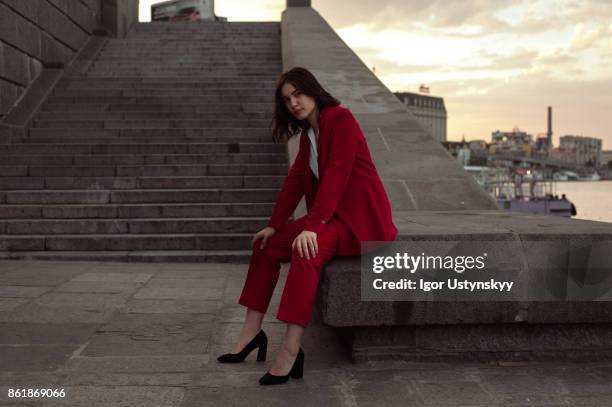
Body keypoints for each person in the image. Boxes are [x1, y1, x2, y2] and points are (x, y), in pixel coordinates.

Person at [216, 67, 397, 385]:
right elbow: (295, 182)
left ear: (313, 91)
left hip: (357, 219)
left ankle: (290, 350)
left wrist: (312, 226)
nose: (294, 103)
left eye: (298, 94)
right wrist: (275, 224)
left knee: (306, 251)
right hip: (328, 217)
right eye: (287, 100)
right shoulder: (308, 136)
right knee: (265, 246)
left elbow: (338, 173)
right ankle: (250, 334)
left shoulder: (341, 119)